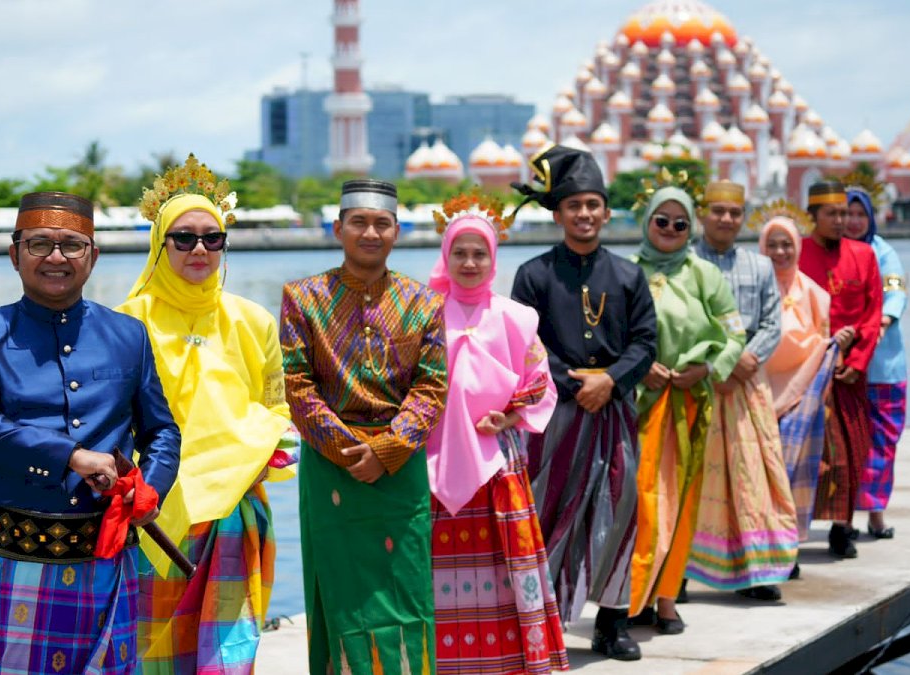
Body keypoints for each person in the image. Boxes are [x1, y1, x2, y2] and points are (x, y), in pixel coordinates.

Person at [0, 191, 181, 674]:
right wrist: (71, 456)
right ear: (14, 254)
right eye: (39, 244)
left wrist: (148, 488)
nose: (56, 257)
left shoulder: (128, 334)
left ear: (93, 256)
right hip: (19, 561)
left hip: (109, 560)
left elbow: (162, 432)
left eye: (72, 245)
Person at [116, 158, 299, 674]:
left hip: (233, 508)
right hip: (155, 513)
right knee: (153, 654)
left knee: (228, 654)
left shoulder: (253, 320)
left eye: (212, 238)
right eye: (183, 238)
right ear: (159, 242)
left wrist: (269, 457)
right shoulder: (129, 321)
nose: (199, 249)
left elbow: (276, 408)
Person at [280, 179, 447, 674]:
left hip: (401, 469)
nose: (369, 232)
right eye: (358, 222)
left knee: (407, 590)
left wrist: (389, 450)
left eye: (381, 223)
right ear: (338, 229)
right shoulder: (303, 298)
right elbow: (297, 386)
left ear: (397, 231)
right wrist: (353, 451)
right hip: (333, 469)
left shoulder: (424, 304)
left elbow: (432, 387)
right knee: (340, 594)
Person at [511, 145, 657, 661]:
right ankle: (539, 623)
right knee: (548, 511)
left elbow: (646, 343)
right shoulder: (533, 275)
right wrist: (576, 386)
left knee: (618, 512)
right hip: (555, 413)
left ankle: (611, 624)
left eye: (594, 204)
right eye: (575, 206)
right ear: (558, 214)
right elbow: (525, 344)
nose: (585, 214)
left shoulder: (628, 275)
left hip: (614, 412)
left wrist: (611, 381)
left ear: (607, 211)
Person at [426, 192, 569, 673]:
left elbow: (540, 384)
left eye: (479, 253)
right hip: (434, 463)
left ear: (493, 258)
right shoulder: (422, 316)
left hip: (498, 463)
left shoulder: (516, 317)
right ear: (445, 256)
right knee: (438, 573)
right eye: (459, 253)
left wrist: (507, 417)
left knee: (503, 570)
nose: (469, 262)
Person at [627, 182, 745, 636]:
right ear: (648, 223)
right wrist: (639, 369)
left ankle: (667, 598)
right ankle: (630, 596)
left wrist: (708, 368)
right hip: (641, 403)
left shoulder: (704, 275)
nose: (671, 229)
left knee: (683, 501)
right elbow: (613, 338)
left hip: (691, 403)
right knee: (641, 500)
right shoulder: (627, 272)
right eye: (662, 221)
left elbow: (734, 334)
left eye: (680, 223)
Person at [686, 180, 796, 601]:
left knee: (754, 476)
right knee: (691, 476)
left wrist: (741, 362)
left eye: (734, 213)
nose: (726, 220)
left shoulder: (760, 266)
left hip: (747, 383)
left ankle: (757, 571)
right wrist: (716, 367)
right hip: (697, 384)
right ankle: (676, 573)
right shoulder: (683, 264)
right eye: (718, 211)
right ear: (702, 214)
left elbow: (772, 322)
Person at [754, 201, 846, 557]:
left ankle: (788, 548)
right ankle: (761, 548)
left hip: (801, 399)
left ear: (798, 246)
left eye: (787, 244)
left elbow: (821, 339)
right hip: (758, 395)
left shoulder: (813, 294)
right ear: (762, 248)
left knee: (794, 475)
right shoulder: (753, 292)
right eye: (772, 244)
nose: (780, 252)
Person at [798, 181, 882, 559]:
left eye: (844, 213)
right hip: (807, 370)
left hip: (851, 372)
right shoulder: (796, 253)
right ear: (812, 216)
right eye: (831, 214)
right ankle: (794, 531)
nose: (840, 221)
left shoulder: (865, 255)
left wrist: (857, 361)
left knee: (852, 449)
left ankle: (842, 527)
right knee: (804, 452)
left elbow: (872, 312)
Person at [845, 185, 907, 540]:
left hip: (884, 368)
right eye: (847, 214)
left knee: (883, 441)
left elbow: (896, 288)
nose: (853, 222)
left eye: (860, 214)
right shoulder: (835, 254)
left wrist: (884, 319)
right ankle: (845, 520)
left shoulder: (886, 254)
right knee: (848, 442)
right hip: (847, 366)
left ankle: (876, 514)